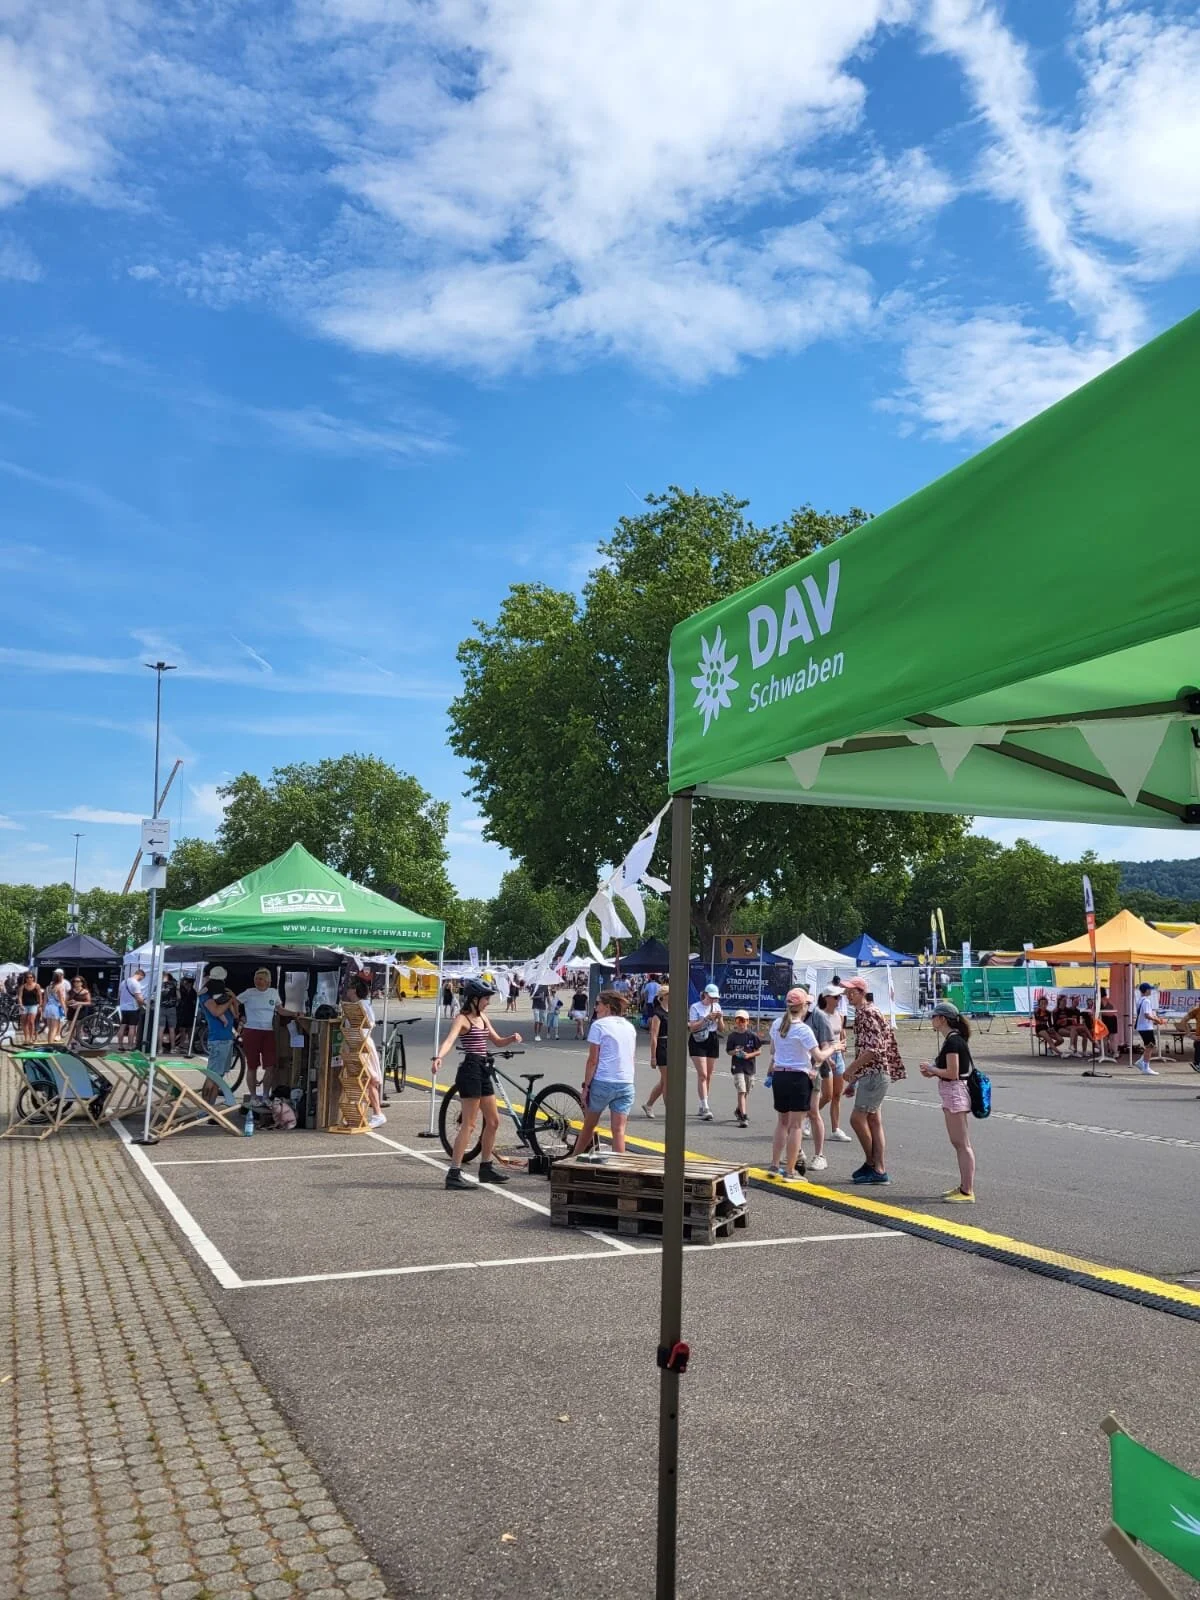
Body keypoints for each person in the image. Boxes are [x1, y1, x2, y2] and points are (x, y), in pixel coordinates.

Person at [432, 977, 523, 1190]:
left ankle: (486, 1167)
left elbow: (497, 1041)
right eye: (485, 999)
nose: (488, 1002)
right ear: (474, 999)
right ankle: (454, 1173)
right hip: (470, 1070)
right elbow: (449, 1040)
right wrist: (439, 1057)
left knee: (493, 1121)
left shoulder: (483, 1017)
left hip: (483, 1068)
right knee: (470, 1125)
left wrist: (511, 1038)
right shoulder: (462, 1019)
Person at [841, 974, 905, 1185]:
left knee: (857, 1119)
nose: (848, 995)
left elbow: (874, 1049)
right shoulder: (868, 1011)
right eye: (846, 992)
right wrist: (855, 1079)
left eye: (852, 991)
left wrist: (851, 1070)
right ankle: (877, 1166)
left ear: (861, 993)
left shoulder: (866, 1013)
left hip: (874, 1073)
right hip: (874, 1072)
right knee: (874, 1120)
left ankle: (873, 1165)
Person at [767, 988, 833, 1179]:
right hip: (798, 1077)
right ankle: (789, 1170)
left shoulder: (777, 1024)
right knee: (796, 1125)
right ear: (803, 1006)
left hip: (780, 1075)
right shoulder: (803, 1029)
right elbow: (819, 1055)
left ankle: (774, 1164)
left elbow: (772, 1049)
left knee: (782, 1122)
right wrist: (834, 1048)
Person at [920, 1001, 977, 1202]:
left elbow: (952, 1073)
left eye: (934, 1017)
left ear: (942, 1019)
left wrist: (932, 1069)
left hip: (954, 1091)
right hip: (952, 1090)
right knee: (959, 1142)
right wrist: (933, 1071)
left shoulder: (953, 1042)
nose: (932, 1020)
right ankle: (964, 1186)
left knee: (961, 1143)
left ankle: (967, 1190)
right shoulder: (953, 1040)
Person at [578, 990, 637, 1155]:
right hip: (626, 1082)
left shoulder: (599, 1025)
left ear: (608, 1006)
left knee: (589, 1126)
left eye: (598, 1004)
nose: (595, 1007)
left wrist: (586, 1087)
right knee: (619, 1131)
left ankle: (573, 1158)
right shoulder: (629, 1026)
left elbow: (593, 1060)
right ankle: (620, 1169)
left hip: (603, 1081)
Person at [340, 975, 385, 1127]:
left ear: (355, 990)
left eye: (350, 988)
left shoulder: (363, 1004)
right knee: (361, 1080)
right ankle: (362, 1113)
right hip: (356, 1044)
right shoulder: (354, 1005)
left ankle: (377, 1113)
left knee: (368, 1079)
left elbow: (370, 1023)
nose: (347, 990)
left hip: (363, 1044)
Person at [815, 987, 852, 1141]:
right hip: (825, 1056)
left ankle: (835, 1129)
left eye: (840, 997)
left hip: (838, 1056)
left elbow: (841, 1033)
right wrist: (826, 1057)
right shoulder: (819, 1015)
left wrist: (842, 1051)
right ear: (827, 998)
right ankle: (808, 1116)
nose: (839, 1000)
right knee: (827, 1095)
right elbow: (817, 1038)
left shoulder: (839, 1015)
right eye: (836, 997)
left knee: (837, 1094)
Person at [238, 968, 282, 1097]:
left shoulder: (273, 992)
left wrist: (295, 1013)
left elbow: (280, 1009)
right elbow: (234, 1002)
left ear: (268, 981)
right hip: (251, 1031)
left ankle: (265, 1095)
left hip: (268, 1032)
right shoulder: (249, 992)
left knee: (270, 1065)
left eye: (261, 979)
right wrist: (238, 1015)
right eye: (256, 979)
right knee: (252, 1065)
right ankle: (253, 1096)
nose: (258, 981)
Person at [200, 971, 239, 1103]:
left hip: (227, 1039)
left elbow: (236, 1014)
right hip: (218, 1039)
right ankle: (204, 1108)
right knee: (212, 1076)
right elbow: (216, 1011)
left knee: (219, 1077)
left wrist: (233, 998)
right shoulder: (206, 996)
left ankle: (210, 1107)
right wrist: (229, 1001)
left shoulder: (221, 994)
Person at [688, 983, 724, 1121]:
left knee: (708, 1075)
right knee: (702, 1074)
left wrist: (719, 1018)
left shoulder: (717, 1007)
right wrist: (706, 1018)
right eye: (711, 997)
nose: (713, 1000)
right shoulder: (695, 1007)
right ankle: (706, 1106)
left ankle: (702, 1103)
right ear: (705, 995)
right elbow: (692, 1027)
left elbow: (721, 1029)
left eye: (715, 998)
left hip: (712, 1038)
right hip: (698, 1039)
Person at [725, 1009, 761, 1128]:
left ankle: (739, 1109)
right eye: (738, 1020)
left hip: (749, 1066)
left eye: (743, 1020)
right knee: (741, 1090)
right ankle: (743, 1116)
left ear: (747, 1021)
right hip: (737, 1066)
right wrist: (734, 1052)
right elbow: (728, 1052)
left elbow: (758, 1051)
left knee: (747, 1090)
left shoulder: (752, 1036)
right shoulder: (732, 1036)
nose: (740, 1023)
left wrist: (749, 1055)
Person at [643, 983, 670, 1118]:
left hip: (672, 1046)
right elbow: (654, 1036)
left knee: (664, 1081)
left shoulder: (672, 1011)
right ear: (664, 996)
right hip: (662, 1046)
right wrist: (653, 1057)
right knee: (668, 1080)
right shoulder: (658, 1014)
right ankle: (670, 1111)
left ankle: (649, 1104)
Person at [1133, 982, 1162, 1074]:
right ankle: (1146, 1067)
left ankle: (1141, 1062)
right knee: (1150, 1046)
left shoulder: (1140, 1000)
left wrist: (1154, 1018)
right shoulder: (1146, 1001)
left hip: (1143, 1026)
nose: (1151, 991)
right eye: (1149, 989)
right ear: (1146, 990)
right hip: (1145, 1026)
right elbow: (1146, 1015)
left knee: (1151, 1045)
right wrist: (1156, 1020)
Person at [118, 967, 146, 1050]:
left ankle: (120, 1045)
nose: (141, 980)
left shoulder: (123, 982)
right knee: (132, 1027)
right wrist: (142, 1005)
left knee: (122, 1026)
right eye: (142, 978)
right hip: (133, 1008)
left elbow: (120, 994)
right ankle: (130, 1046)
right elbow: (139, 998)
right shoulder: (136, 983)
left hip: (123, 1007)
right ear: (141, 975)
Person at [42, 968, 69, 1044]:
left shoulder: (47, 987)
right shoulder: (60, 987)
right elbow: (61, 1001)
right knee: (54, 1028)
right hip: (56, 1008)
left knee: (50, 1028)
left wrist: (43, 1011)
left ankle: (49, 1043)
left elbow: (44, 1001)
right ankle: (50, 1045)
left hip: (48, 1007)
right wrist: (65, 1011)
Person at [66, 974, 92, 1044]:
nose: (76, 983)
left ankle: (80, 1043)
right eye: (74, 981)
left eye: (78, 981)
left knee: (79, 1028)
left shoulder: (85, 991)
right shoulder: (70, 991)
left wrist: (78, 1003)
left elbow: (89, 1002)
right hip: (71, 1011)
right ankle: (70, 1043)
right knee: (71, 1028)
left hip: (81, 1011)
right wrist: (70, 1002)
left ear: (82, 982)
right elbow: (65, 1002)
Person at [176, 976, 197, 1056]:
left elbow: (194, 1002)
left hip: (190, 1012)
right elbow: (179, 999)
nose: (185, 984)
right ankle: (182, 1043)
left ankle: (190, 1044)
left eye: (187, 983)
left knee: (189, 1029)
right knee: (182, 1029)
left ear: (190, 984)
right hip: (183, 1012)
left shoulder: (193, 992)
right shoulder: (182, 990)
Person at [159, 972, 179, 1053]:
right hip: (171, 1008)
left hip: (161, 1008)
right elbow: (179, 996)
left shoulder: (159, 985)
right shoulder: (174, 985)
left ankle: (159, 1048)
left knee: (161, 1029)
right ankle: (172, 1048)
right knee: (172, 1029)